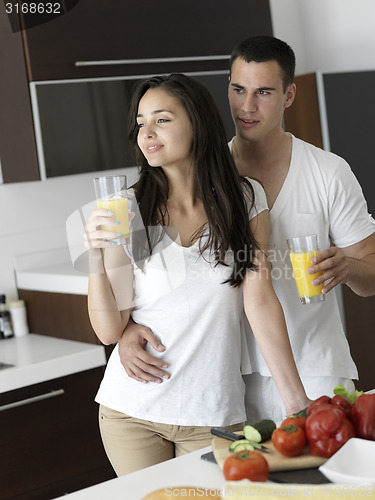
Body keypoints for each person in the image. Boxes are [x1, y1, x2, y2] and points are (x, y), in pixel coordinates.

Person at [118, 36, 375, 423]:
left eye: (264, 92)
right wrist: (127, 328)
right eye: (238, 90)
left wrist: (348, 268)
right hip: (227, 377)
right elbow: (166, 282)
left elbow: (370, 275)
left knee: (335, 482)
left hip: (315, 367)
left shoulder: (328, 172)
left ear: (289, 95)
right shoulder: (198, 174)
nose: (247, 106)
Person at [84, 73, 309, 476]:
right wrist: (96, 258)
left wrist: (297, 401)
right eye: (141, 123)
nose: (147, 132)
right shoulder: (127, 208)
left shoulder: (245, 198)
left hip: (213, 414)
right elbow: (108, 329)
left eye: (162, 119)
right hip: (130, 411)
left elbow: (259, 301)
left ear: (197, 121)